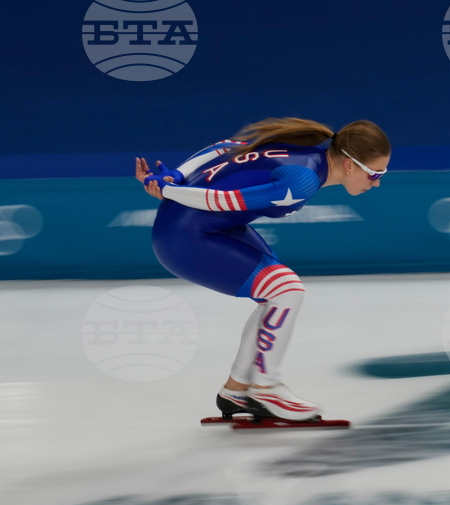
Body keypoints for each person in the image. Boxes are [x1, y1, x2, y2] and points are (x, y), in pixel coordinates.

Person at [135, 117, 390, 421]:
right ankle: (267, 389)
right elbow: (224, 201)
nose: (376, 182)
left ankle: (236, 390)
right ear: (349, 165)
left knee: (278, 293)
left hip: (211, 226)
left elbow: (225, 148)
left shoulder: (305, 153)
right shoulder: (304, 179)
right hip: (186, 236)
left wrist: (177, 175)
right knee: (286, 290)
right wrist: (170, 189)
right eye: (374, 173)